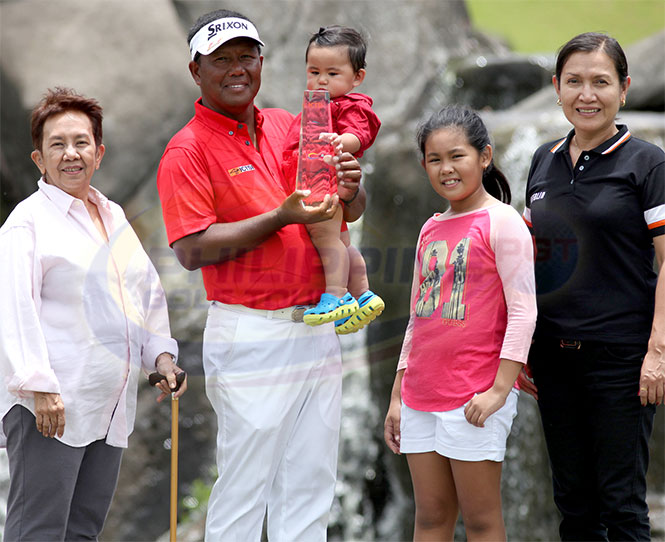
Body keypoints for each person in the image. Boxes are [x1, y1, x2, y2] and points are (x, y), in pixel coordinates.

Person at [155, 9, 364, 541]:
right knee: (247, 489)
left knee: (311, 486)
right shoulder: (187, 149)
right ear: (194, 70)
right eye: (220, 59)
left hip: (318, 326)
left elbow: (348, 208)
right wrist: (280, 218)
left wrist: (352, 185)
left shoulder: (289, 123)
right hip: (252, 332)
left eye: (245, 56)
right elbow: (191, 248)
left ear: (262, 62)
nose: (236, 68)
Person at [0, 87, 186, 541]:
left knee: (82, 531)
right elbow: (12, 308)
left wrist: (160, 357)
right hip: (50, 407)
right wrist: (38, 387)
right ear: (39, 160)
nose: (71, 154)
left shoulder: (112, 213)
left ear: (99, 153)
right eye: (57, 145)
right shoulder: (27, 223)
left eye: (81, 143)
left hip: (107, 405)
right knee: (38, 531)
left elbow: (144, 292)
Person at [520, 32, 664, 541]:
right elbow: (529, 260)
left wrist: (657, 351)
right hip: (554, 360)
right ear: (556, 88)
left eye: (601, 82)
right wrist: (520, 351)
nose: (587, 94)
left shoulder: (647, 163)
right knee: (574, 508)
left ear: (624, 89)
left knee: (622, 507)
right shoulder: (543, 160)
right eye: (574, 81)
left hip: (622, 360)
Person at [384, 105, 537, 541]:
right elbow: (419, 317)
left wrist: (498, 390)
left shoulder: (503, 222)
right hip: (420, 395)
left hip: (474, 395)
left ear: (484, 156)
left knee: (482, 521)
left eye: (457, 156)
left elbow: (525, 311)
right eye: (435, 159)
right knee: (430, 519)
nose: (446, 168)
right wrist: (398, 396)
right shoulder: (431, 228)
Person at [282, 25, 385, 334]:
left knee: (326, 239)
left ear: (357, 78)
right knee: (341, 241)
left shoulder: (350, 105)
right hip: (315, 180)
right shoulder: (316, 105)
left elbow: (360, 132)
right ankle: (363, 293)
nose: (322, 80)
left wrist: (343, 142)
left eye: (332, 73)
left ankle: (336, 296)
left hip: (322, 183)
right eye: (314, 72)